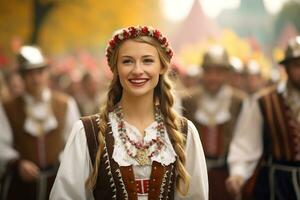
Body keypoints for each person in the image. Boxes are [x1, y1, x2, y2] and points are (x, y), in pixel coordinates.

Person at [50, 25, 208, 200]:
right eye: (127, 61)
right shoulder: (87, 132)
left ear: (162, 67)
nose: (137, 70)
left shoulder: (184, 132)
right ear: (115, 69)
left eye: (147, 60)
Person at [0, 45, 80, 200]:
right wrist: (17, 163)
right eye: (30, 74)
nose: (36, 79)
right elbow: (1, 144)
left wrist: (63, 163)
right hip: (21, 187)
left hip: (57, 183)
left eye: (40, 72)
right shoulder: (7, 108)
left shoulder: (65, 104)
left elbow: (74, 141)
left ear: (47, 73)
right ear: (22, 77)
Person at [226, 36, 300, 200]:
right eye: (297, 65)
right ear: (286, 68)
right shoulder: (264, 102)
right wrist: (238, 175)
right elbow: (246, 144)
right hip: (278, 185)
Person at [182, 45, 246, 200]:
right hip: (194, 172)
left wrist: (239, 173)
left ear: (227, 74)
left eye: (219, 72)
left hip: (226, 173)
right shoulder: (188, 99)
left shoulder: (239, 101)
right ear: (203, 73)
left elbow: (244, 142)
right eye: (209, 72)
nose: (213, 77)